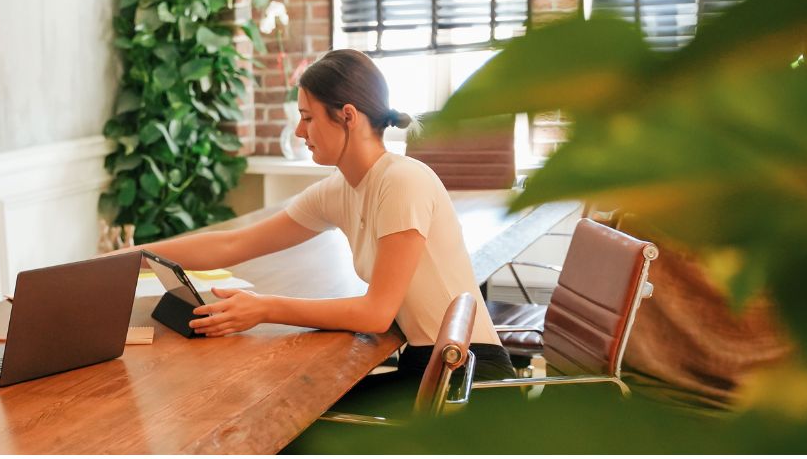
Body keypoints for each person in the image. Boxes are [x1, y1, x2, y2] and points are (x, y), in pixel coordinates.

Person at [118, 48, 515, 404]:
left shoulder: (401, 181)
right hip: (425, 370)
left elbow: (376, 314)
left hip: (467, 382)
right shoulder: (339, 190)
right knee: (289, 408)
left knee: (286, 418)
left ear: (347, 117)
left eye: (307, 117)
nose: (299, 131)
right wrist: (128, 258)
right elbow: (232, 245)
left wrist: (265, 308)